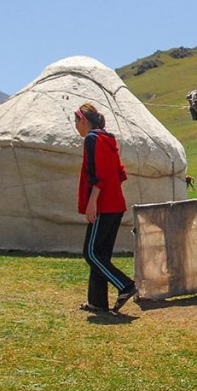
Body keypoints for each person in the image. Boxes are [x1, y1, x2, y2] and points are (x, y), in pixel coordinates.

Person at [74, 103, 137, 313]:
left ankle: (125, 285)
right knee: (100, 255)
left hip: (103, 205)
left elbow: (97, 173)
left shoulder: (93, 139)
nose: (75, 126)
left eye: (76, 121)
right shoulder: (109, 139)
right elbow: (120, 173)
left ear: (83, 120)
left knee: (91, 253)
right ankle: (98, 302)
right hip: (115, 204)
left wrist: (93, 202)